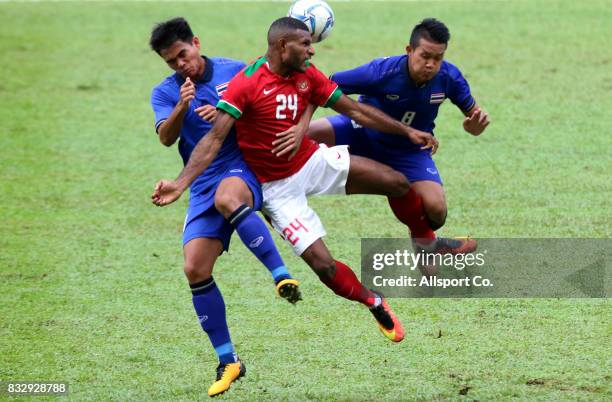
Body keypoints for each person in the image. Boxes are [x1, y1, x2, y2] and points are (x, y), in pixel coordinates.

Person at [153, 16, 439, 363]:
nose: (312, 49)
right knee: (325, 267)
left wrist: (406, 133)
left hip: (311, 162)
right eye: (305, 44)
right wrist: (181, 184)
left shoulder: (306, 73)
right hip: (276, 189)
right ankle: (373, 301)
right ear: (283, 46)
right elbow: (212, 140)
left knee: (398, 182)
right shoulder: (246, 83)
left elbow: (354, 110)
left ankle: (425, 244)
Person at [149, 17, 304, 397]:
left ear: (196, 43)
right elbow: (166, 138)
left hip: (240, 165)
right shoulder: (165, 93)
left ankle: (281, 275)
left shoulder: (236, 71)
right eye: (172, 62)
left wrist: (226, 111)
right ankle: (228, 360)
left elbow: (262, 112)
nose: (181, 65)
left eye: (183, 55)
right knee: (194, 267)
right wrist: (181, 109)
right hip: (200, 178)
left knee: (229, 198)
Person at [309, 18, 490, 256]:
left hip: (409, 150)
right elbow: (324, 86)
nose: (431, 64)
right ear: (409, 50)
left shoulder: (449, 77)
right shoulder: (381, 71)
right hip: (361, 132)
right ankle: (430, 244)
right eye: (424, 56)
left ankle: (425, 239)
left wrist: (474, 127)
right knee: (308, 133)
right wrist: (302, 123)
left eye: (438, 58)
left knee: (436, 211)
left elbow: (474, 123)